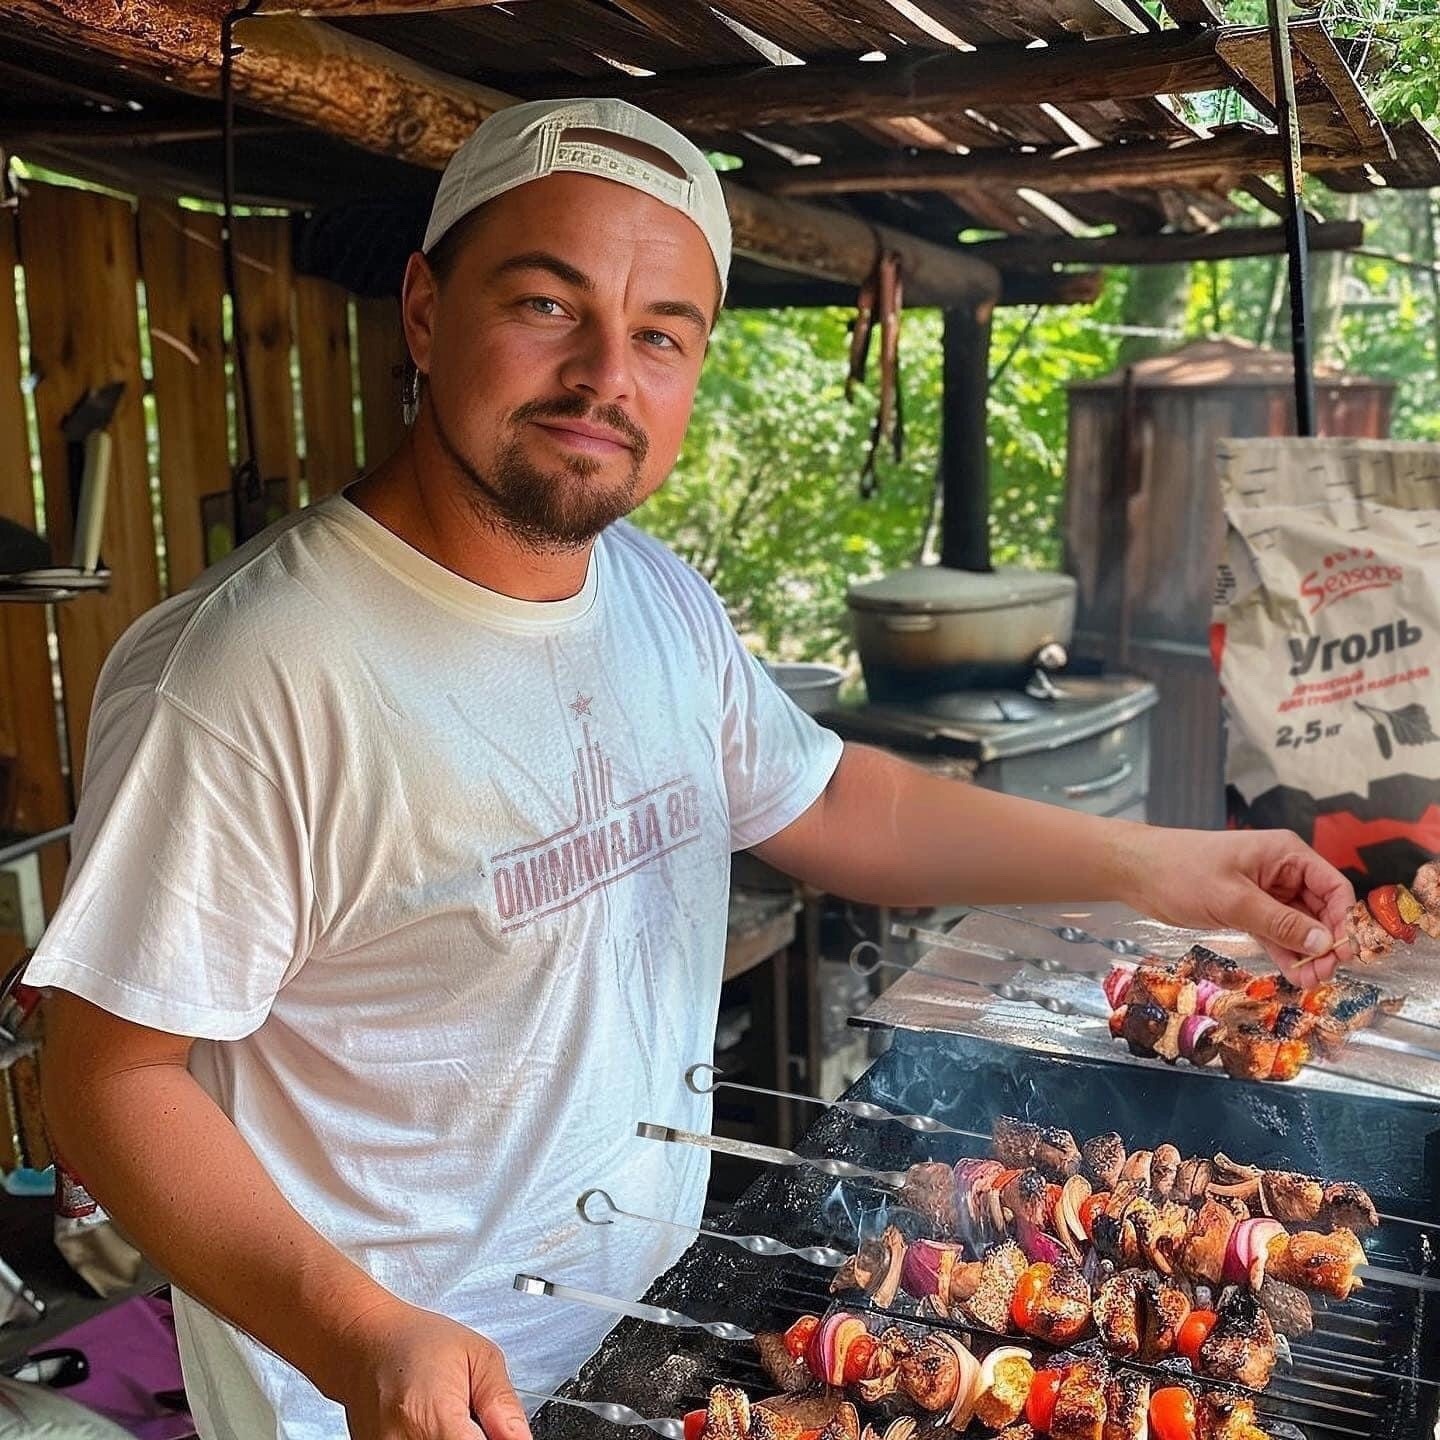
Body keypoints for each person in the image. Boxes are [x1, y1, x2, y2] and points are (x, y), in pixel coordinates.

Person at [27, 98, 1355, 1440]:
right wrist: (359, 1332)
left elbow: (831, 801)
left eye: (662, 333)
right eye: (548, 305)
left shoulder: (656, 596)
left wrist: (1173, 867)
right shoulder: (251, 672)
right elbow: (105, 1079)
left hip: (654, 1336)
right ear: (425, 311)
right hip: (383, 1397)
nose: (608, 376)